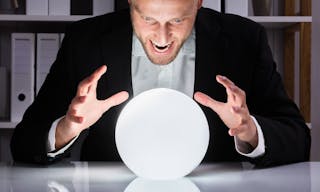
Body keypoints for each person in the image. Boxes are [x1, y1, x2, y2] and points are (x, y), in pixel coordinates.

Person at [11, 0, 310, 166]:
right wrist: (68, 127)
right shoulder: (85, 40)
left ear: (198, 3)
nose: (163, 38)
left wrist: (249, 130)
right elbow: (23, 143)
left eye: (177, 21)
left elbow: (299, 138)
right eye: (149, 20)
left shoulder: (244, 40)